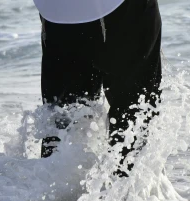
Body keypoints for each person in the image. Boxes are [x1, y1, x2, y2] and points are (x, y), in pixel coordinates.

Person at [34, 0, 162, 176]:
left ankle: (50, 197)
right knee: (134, 108)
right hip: (117, 5)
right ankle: (123, 197)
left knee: (65, 117)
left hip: (56, 9)